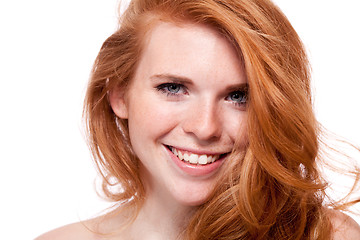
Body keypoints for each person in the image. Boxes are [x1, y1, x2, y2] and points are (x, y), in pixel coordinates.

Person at [36, 0, 360, 239]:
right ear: (120, 95)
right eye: (173, 88)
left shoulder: (327, 235)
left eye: (239, 97)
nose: (205, 128)